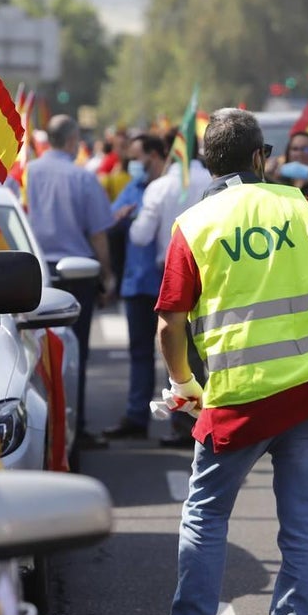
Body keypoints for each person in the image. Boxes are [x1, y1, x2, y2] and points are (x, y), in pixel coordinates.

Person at [145, 108, 308, 615]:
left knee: (204, 516)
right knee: (301, 528)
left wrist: (181, 385)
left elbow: (169, 323)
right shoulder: (296, 204)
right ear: (260, 157)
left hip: (237, 402)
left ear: (206, 164)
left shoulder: (194, 224)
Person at [25, 114, 116, 450]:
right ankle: (71, 428)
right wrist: (106, 276)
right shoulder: (82, 178)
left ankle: (37, 424)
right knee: (74, 355)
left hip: (28, 276)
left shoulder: (23, 175)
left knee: (28, 354)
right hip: (75, 278)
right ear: (72, 139)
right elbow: (99, 236)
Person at [128, 127, 213, 447]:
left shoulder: (159, 187)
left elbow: (139, 237)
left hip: (175, 272)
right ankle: (208, 419)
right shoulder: (212, 183)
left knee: (176, 348)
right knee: (205, 350)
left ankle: (184, 423)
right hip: (213, 273)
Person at [102, 133, 169, 440]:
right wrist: (120, 217)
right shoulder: (134, 188)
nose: (133, 164)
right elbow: (110, 221)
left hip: (170, 283)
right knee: (140, 353)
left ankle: (183, 421)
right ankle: (136, 416)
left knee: (177, 356)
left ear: (155, 155)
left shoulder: (171, 188)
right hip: (137, 282)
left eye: (137, 158)